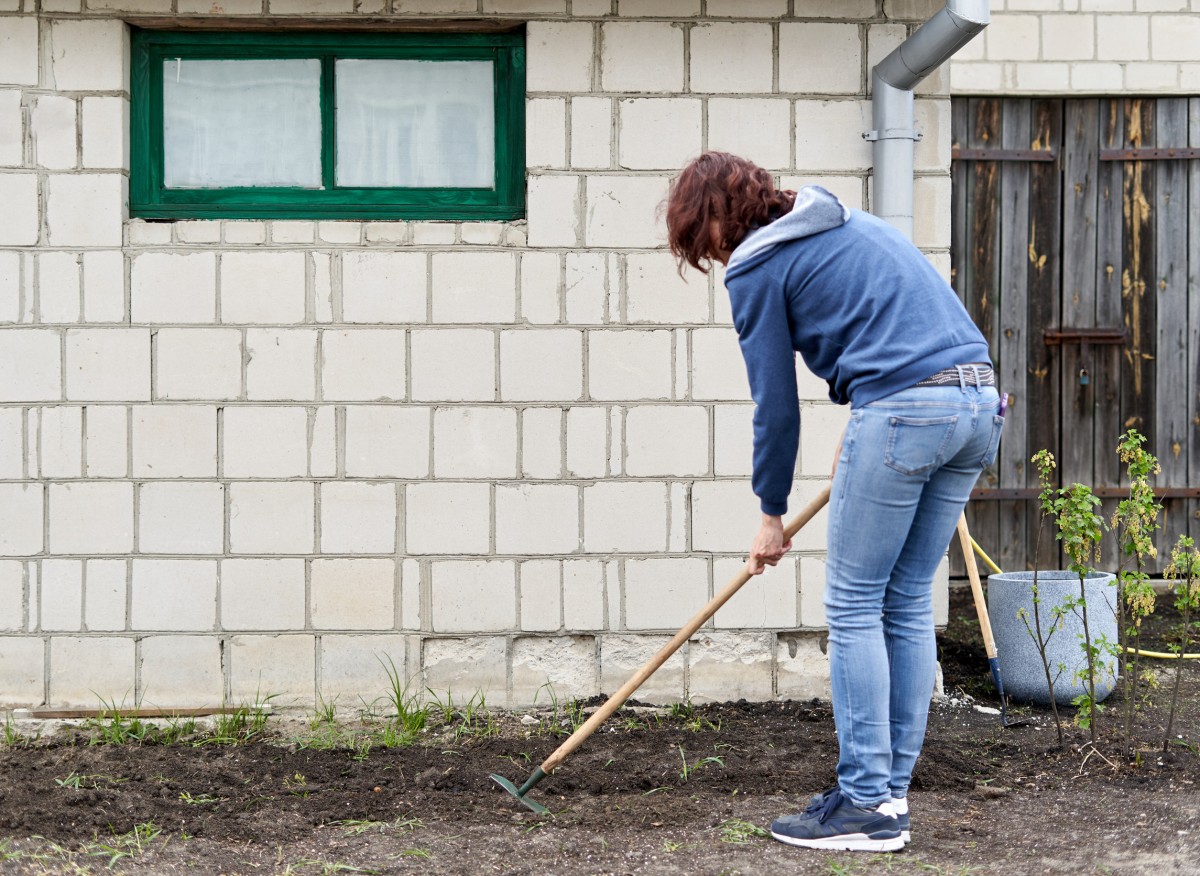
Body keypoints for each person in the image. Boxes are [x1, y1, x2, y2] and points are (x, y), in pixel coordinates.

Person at [665, 152, 1003, 853]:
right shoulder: (847, 222)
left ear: (721, 218)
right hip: (977, 404)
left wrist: (770, 511)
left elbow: (775, 406)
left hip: (907, 411)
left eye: (705, 238)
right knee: (905, 600)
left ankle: (864, 801)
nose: (715, 255)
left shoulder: (759, 263)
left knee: (854, 603)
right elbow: (899, 324)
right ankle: (886, 797)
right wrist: (871, 415)